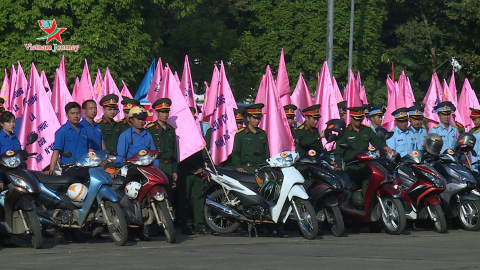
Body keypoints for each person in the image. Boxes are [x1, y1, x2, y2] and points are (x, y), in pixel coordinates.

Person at [114, 106, 157, 241]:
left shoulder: (148, 134)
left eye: (143, 119)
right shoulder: (125, 135)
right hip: (132, 170)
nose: (141, 121)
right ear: (131, 119)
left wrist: (157, 168)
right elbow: (120, 156)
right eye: (138, 119)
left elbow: (154, 153)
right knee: (132, 200)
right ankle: (132, 233)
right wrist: (118, 168)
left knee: (146, 200)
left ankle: (143, 231)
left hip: (147, 170)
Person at [334, 106, 392, 200]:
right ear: (351, 118)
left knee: (370, 187)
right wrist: (339, 166)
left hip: (365, 165)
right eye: (356, 119)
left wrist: (384, 147)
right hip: (351, 167)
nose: (358, 122)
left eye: (360, 119)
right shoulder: (345, 132)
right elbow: (338, 152)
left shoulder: (367, 130)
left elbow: (376, 141)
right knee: (349, 192)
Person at [177, 107, 207, 235]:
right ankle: (186, 225)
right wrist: (194, 168)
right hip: (185, 170)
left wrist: (202, 168)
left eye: (194, 118)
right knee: (184, 199)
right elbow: (181, 154)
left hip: (199, 170)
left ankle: (199, 225)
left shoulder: (197, 133)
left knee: (198, 199)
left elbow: (203, 152)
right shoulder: (180, 134)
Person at [45, 102, 91, 183]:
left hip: (85, 168)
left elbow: (88, 149)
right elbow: (56, 151)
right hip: (70, 169)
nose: (76, 116)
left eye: (78, 113)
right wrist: (51, 169)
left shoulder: (84, 129)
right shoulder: (62, 131)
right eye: (72, 113)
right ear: (66, 115)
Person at [231, 104, 269, 174]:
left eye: (258, 118)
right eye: (254, 118)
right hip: (246, 170)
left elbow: (267, 153)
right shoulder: (241, 134)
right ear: (248, 118)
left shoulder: (263, 134)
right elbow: (236, 153)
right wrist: (238, 167)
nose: (257, 121)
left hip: (261, 170)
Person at [0, 111, 21, 191]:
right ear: (1, 124)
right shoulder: (1, 138)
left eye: (13, 121)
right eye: (8, 122)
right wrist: (0, 180)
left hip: (17, 175)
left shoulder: (15, 138)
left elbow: (20, 157)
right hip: (4, 174)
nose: (12, 124)